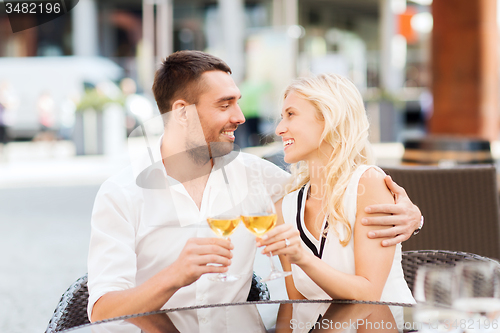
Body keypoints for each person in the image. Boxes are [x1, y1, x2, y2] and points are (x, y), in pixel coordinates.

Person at [87, 51, 421, 333]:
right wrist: (174, 276)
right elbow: (103, 310)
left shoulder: (259, 177)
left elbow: (331, 192)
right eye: (224, 105)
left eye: (238, 103)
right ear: (182, 113)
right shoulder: (122, 195)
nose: (240, 117)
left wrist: (413, 216)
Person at [258, 73, 416, 332]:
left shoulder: (368, 184)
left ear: (328, 118)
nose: (279, 128)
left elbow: (368, 294)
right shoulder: (284, 208)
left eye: (291, 114)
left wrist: (302, 258)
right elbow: (292, 305)